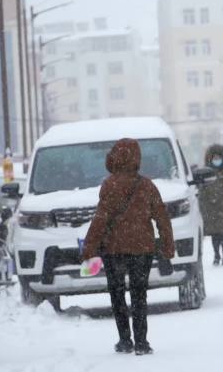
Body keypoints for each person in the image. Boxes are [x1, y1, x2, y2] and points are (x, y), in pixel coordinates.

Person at [82, 138, 175, 356]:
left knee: (117, 294)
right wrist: (167, 246)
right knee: (139, 294)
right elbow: (162, 217)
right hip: (142, 248)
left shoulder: (109, 185)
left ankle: (125, 340)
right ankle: (142, 342)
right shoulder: (147, 185)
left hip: (113, 250)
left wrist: (89, 247)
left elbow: (101, 219)